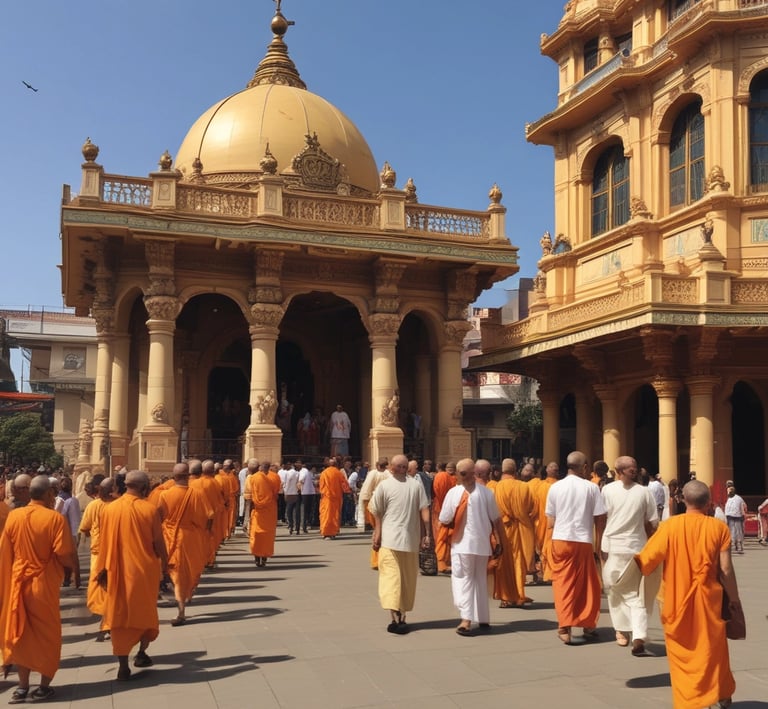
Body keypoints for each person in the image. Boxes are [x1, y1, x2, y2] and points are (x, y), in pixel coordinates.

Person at [633, 480, 741, 709]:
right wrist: (734, 600)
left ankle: (691, 701)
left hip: (675, 602)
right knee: (714, 651)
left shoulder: (669, 527)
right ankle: (720, 693)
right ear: (709, 503)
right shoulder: (718, 528)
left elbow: (646, 562)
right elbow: (726, 569)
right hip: (709, 602)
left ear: (682, 500)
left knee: (682, 656)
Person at [0, 475, 75, 703]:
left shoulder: (14, 517)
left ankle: (22, 687)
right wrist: (71, 570)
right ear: (49, 494)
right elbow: (63, 554)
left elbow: (5, 552)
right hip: (43, 585)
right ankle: (43, 687)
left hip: (18, 583)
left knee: (21, 634)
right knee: (47, 635)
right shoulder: (54, 519)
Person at [94, 470, 168, 681]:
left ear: (124, 485)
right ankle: (142, 653)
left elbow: (102, 542)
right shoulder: (149, 509)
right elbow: (158, 542)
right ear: (145, 488)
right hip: (143, 572)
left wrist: (102, 569)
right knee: (144, 613)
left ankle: (123, 664)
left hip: (116, 569)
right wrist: (165, 562)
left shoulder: (108, 510)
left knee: (119, 616)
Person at [600, 456, 659, 656]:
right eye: (631, 469)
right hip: (634, 547)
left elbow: (601, 519)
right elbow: (653, 523)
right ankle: (639, 634)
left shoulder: (608, 490)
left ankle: (621, 632)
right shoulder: (643, 491)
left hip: (619, 548)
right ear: (621, 471)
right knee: (635, 594)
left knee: (616, 592)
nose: (633, 472)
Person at [545, 450, 606, 645]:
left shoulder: (555, 487)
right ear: (584, 467)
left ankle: (564, 627)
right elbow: (600, 519)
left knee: (562, 583)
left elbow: (550, 520)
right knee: (587, 584)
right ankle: (587, 624)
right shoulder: (591, 488)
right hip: (583, 540)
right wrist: (600, 543)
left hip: (561, 539)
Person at [439, 458, 505, 636]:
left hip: (465, 545)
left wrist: (500, 542)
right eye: (463, 473)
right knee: (478, 580)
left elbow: (444, 518)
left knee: (464, 580)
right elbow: (496, 520)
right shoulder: (484, 493)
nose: (466, 477)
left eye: (468, 473)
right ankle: (483, 618)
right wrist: (500, 541)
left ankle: (466, 620)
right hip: (479, 545)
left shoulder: (457, 493)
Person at [369, 454, 431, 635]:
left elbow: (376, 512)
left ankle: (395, 618)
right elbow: (424, 510)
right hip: (410, 540)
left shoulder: (384, 486)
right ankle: (402, 616)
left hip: (390, 540)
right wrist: (427, 534)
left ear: (392, 468)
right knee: (406, 579)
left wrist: (378, 532)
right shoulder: (416, 485)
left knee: (391, 579)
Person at [157, 463, 213, 625]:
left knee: (178, 574)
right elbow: (210, 516)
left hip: (172, 538)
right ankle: (186, 597)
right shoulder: (198, 494)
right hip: (193, 539)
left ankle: (181, 611)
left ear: (174, 477)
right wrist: (206, 533)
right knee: (192, 570)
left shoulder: (165, 495)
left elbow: (159, 518)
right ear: (188, 476)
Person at [492, 458, 537, 608]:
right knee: (519, 562)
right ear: (516, 470)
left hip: (503, 529)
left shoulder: (495, 488)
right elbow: (532, 508)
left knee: (504, 562)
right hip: (521, 528)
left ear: (502, 471)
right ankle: (518, 594)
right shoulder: (523, 487)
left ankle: (506, 596)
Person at [81, 477, 117, 641]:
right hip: (114, 553)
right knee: (110, 588)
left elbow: (85, 529)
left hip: (99, 553)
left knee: (102, 588)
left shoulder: (93, 506)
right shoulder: (119, 505)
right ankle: (108, 622)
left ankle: (107, 623)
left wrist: (96, 536)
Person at [243, 458, 280, 567]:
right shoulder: (274, 477)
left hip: (257, 511)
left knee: (256, 535)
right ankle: (264, 558)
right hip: (270, 511)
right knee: (267, 535)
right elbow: (276, 494)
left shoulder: (252, 479)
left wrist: (247, 518)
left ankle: (257, 557)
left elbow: (248, 499)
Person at [54, 475, 82, 588]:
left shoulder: (57, 500)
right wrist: (76, 535)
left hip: (58, 532)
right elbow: (75, 519)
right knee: (71, 558)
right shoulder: (71, 500)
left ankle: (65, 579)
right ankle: (70, 579)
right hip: (69, 532)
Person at [534, 461, 559, 583]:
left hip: (547, 521)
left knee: (547, 547)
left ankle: (547, 571)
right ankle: (548, 571)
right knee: (549, 547)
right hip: (550, 522)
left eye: (555, 468)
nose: (554, 470)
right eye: (553, 468)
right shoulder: (544, 485)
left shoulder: (558, 485)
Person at [431, 461, 456, 575]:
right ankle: (446, 562)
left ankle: (442, 563)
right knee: (447, 538)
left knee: (440, 537)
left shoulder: (441, 476)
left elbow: (437, 491)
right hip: (451, 510)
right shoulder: (455, 479)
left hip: (440, 508)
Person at [318, 456, 350, 539]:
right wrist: (348, 492)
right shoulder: (339, 473)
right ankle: (333, 532)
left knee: (325, 514)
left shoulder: (324, 473)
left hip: (326, 497)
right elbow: (345, 486)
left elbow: (321, 486)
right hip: (336, 498)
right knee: (335, 515)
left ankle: (325, 532)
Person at [724, 484, 748, 554]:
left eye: (728, 491)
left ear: (732, 491)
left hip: (738, 517)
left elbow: (744, 506)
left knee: (738, 531)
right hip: (729, 516)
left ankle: (739, 545)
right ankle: (733, 545)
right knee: (731, 531)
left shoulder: (739, 498)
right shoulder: (727, 499)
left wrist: (743, 514)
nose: (727, 492)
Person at [283, 460, 301, 534]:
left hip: (289, 493)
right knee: (296, 512)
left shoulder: (288, 473)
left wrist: (285, 492)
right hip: (296, 494)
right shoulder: (298, 473)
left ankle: (291, 526)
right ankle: (297, 528)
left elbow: (287, 483)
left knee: (289, 511)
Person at [297, 460, 314, 533]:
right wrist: (299, 489)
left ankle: (304, 525)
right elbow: (301, 480)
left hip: (307, 492)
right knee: (305, 510)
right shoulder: (305, 471)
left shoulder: (306, 472)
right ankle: (303, 526)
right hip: (306, 493)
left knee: (305, 510)